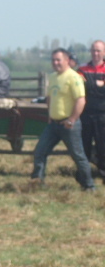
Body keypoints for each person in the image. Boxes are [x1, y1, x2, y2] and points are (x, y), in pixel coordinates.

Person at [30, 48, 94, 191]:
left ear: (67, 60)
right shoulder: (53, 77)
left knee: (78, 156)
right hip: (53, 124)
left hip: (69, 125)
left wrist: (71, 120)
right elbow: (50, 98)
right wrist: (49, 115)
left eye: (58, 60)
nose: (55, 63)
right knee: (40, 151)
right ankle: (36, 182)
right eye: (53, 60)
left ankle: (89, 185)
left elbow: (81, 101)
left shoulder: (74, 77)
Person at [78, 40, 105, 178]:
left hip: (103, 114)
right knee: (84, 144)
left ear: (104, 52)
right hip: (86, 114)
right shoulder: (82, 69)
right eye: (93, 50)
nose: (95, 53)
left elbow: (89, 87)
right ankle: (84, 174)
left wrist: (91, 85)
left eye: (98, 51)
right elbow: (79, 89)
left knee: (103, 145)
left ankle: (102, 173)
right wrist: (99, 86)